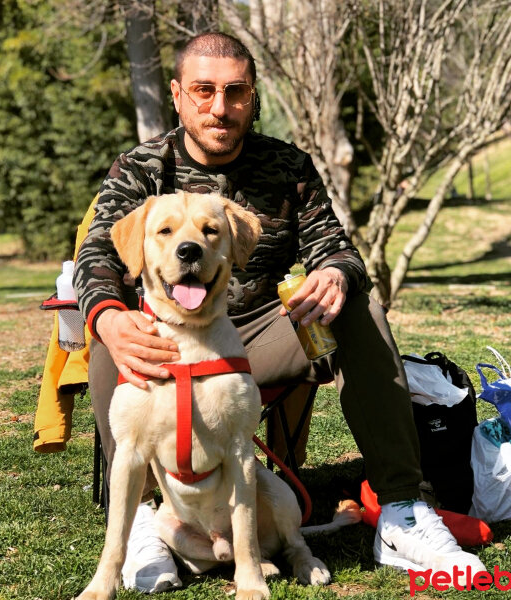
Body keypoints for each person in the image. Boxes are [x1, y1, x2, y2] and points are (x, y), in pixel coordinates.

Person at [74, 32, 485, 593]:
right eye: (203, 90)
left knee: (359, 308)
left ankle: (401, 510)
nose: (220, 107)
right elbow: (97, 249)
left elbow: (336, 248)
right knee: (106, 336)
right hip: (165, 338)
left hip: (259, 335)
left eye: (235, 91)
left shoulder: (289, 166)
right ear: (176, 94)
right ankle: (149, 516)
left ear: (253, 95)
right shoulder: (143, 166)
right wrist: (107, 316)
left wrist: (335, 274)